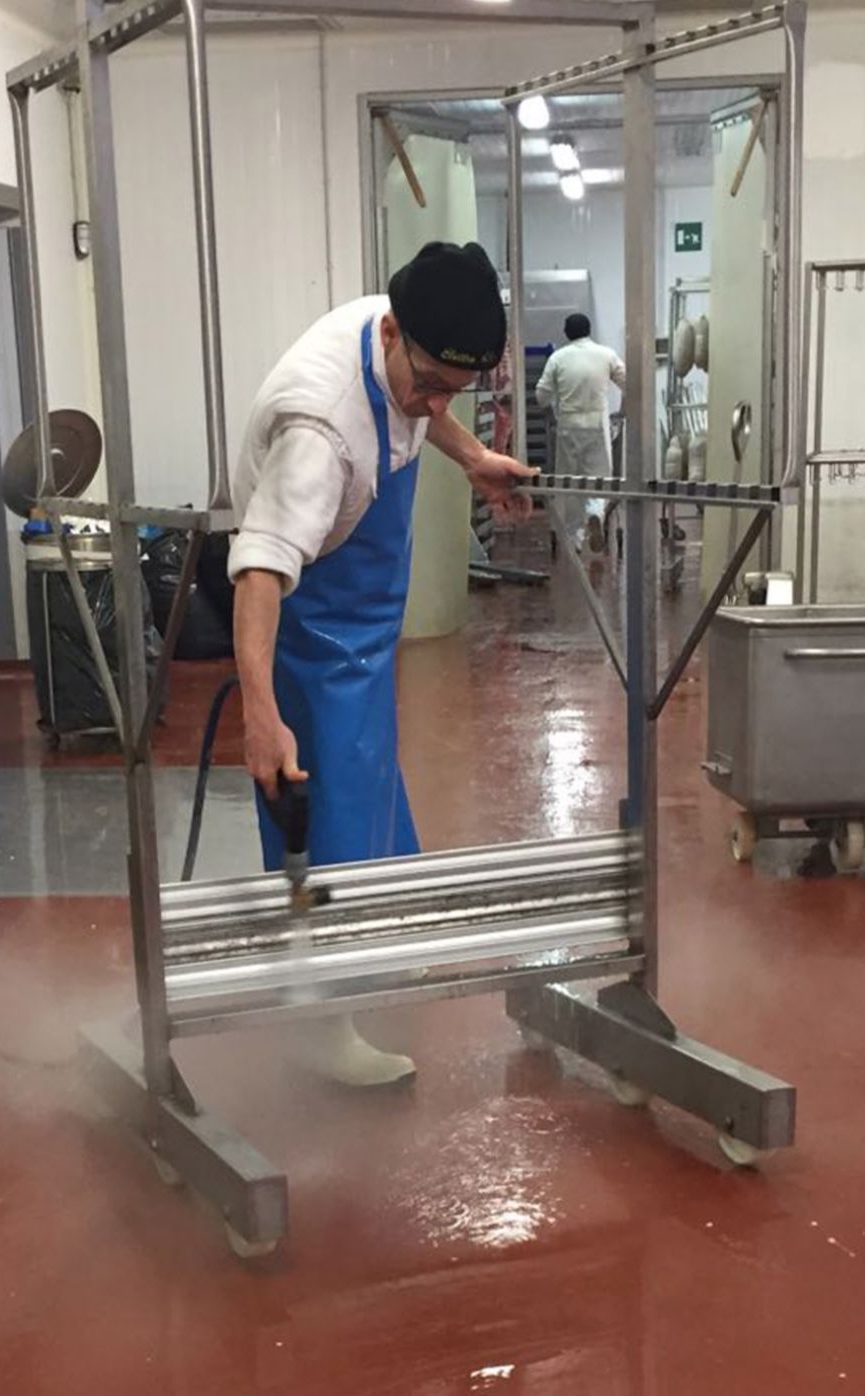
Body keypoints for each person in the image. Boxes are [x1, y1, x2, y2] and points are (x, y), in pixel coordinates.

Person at [228, 241, 537, 1086]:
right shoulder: (320, 430)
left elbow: (422, 405)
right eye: (430, 384)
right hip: (309, 616)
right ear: (393, 333)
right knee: (327, 806)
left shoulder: (402, 339)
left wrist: (472, 457)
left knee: (372, 788)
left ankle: (379, 942)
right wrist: (261, 716)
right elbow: (260, 571)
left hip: (363, 623)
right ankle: (316, 1023)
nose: (435, 405)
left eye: (455, 393)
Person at [534, 312, 627, 558]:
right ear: (589, 330)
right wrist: (622, 411)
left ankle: (575, 538)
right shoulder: (606, 354)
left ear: (566, 333)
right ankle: (596, 511)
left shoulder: (557, 358)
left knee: (571, 481)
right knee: (599, 476)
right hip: (597, 424)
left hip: (568, 425)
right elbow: (630, 383)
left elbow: (541, 396)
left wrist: (551, 415)